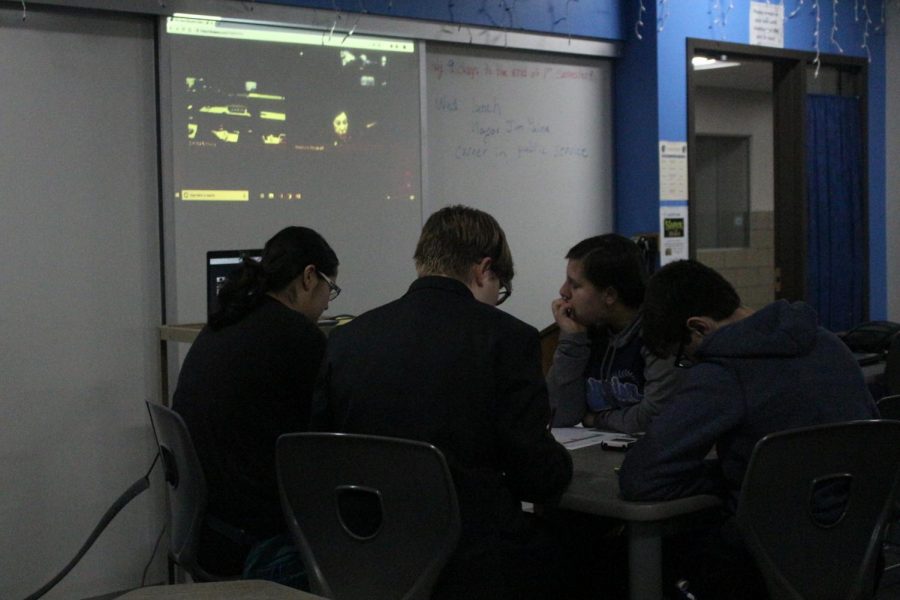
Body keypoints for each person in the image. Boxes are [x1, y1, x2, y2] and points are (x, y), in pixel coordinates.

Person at [317, 205, 574, 600]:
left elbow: (325, 448)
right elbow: (535, 476)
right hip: (472, 562)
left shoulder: (347, 339)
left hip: (367, 551)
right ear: (483, 269)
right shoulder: (508, 339)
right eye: (499, 288)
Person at [618, 259, 879, 599]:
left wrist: (723, 478)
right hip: (858, 553)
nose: (689, 366)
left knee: (623, 558)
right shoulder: (827, 342)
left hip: (764, 563)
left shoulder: (723, 371)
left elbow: (641, 479)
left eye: (685, 358)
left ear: (699, 327)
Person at [172, 226, 339, 585]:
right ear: (310, 277)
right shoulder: (298, 337)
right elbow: (326, 442)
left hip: (210, 533)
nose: (328, 303)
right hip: (258, 545)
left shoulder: (223, 323)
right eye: (331, 289)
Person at [548, 234, 681, 433]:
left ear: (609, 295)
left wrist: (597, 420)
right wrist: (572, 342)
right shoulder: (586, 330)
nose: (563, 291)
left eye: (575, 285)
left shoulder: (658, 332)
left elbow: (655, 415)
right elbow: (558, 415)